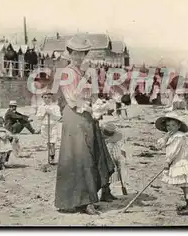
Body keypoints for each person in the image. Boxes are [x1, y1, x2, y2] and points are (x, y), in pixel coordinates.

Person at [55, 34, 115, 215]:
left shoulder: (85, 72)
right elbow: (72, 98)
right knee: (78, 158)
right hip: (75, 116)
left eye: (82, 53)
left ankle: (93, 195)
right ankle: (82, 201)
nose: (79, 57)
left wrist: (99, 106)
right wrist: (92, 109)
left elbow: (94, 94)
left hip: (87, 117)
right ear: (70, 53)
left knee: (92, 153)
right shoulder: (67, 72)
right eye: (75, 53)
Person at [155, 112, 188, 216]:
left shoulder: (179, 136)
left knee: (185, 186)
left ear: (179, 126)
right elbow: (158, 146)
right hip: (175, 162)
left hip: (180, 163)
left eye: (174, 125)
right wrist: (165, 138)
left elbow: (174, 151)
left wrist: (167, 162)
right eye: (168, 125)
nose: (171, 128)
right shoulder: (171, 136)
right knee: (184, 186)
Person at [102, 122, 128, 195]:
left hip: (109, 161)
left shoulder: (113, 144)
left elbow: (118, 156)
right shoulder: (111, 144)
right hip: (106, 161)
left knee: (108, 176)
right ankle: (105, 193)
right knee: (107, 176)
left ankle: (107, 192)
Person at [36, 92, 62, 165]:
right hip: (44, 126)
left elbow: (58, 117)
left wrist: (51, 113)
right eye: (45, 97)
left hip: (53, 126)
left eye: (49, 97)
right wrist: (44, 113)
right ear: (43, 98)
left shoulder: (55, 107)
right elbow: (38, 118)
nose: (47, 99)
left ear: (52, 98)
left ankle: (52, 157)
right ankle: (50, 157)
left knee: (52, 143)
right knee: (48, 143)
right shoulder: (41, 107)